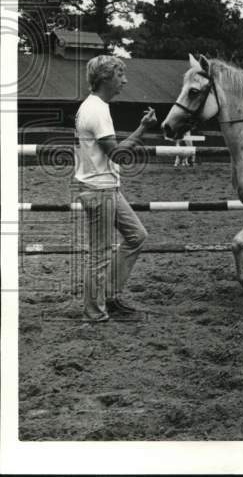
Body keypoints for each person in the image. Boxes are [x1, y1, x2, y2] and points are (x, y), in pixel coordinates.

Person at [74, 55, 155, 322]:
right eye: (120, 75)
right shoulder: (96, 110)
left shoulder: (95, 106)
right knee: (99, 254)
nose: (125, 80)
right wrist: (142, 129)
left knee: (137, 236)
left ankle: (109, 296)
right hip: (100, 191)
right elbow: (118, 155)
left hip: (106, 188)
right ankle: (94, 313)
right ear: (107, 77)